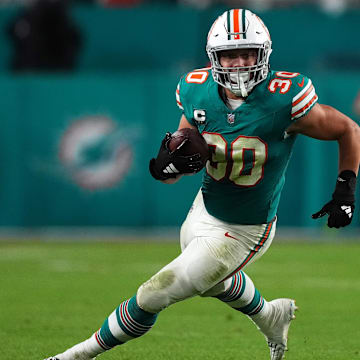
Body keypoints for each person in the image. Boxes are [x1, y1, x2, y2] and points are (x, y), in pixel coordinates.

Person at [44, 9, 360, 360]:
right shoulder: (196, 90)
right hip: (204, 208)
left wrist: (345, 186)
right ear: (214, 58)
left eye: (248, 53)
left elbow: (348, 129)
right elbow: (186, 147)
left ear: (264, 54)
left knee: (155, 292)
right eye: (230, 54)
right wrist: (169, 166)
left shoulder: (286, 97)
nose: (239, 63)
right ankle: (270, 315)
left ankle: (75, 356)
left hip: (246, 228)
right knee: (213, 283)